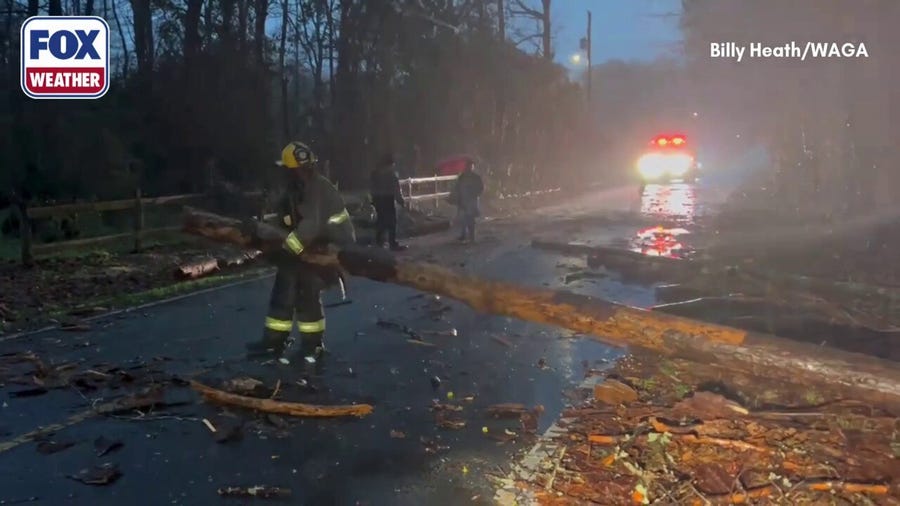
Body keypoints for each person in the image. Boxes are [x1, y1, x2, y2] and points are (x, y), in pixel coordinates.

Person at [245, 141, 356, 365]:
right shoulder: (295, 191)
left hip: (334, 249)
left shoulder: (317, 188)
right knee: (284, 281)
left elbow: (310, 228)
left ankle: (313, 345)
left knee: (307, 286)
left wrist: (287, 248)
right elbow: (286, 225)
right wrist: (268, 239)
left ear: (292, 170)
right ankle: (274, 341)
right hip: (312, 246)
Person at [369, 153, 407, 251]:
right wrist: (401, 201)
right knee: (391, 222)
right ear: (390, 164)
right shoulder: (391, 175)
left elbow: (372, 188)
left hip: (378, 199)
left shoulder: (375, 174)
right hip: (388, 199)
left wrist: (373, 200)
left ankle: (378, 242)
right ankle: (392, 243)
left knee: (381, 221)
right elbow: (396, 190)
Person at [450, 160, 484, 242]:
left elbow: (481, 188)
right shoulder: (462, 177)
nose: (469, 168)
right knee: (463, 218)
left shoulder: (476, 177)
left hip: (472, 200)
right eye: (469, 166)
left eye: (471, 166)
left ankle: (471, 236)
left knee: (470, 219)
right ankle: (464, 235)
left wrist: (476, 194)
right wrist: (457, 197)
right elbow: (457, 187)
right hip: (463, 199)